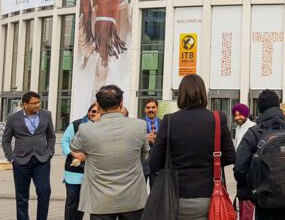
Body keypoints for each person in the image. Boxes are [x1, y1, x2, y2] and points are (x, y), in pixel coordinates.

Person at [148, 75, 236, 219]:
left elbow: (154, 163)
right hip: (209, 194)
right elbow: (231, 156)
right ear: (203, 93)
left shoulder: (169, 121)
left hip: (176, 196)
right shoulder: (217, 118)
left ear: (181, 94)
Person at [234, 89, 285, 220]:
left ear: (260, 110)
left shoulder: (253, 133)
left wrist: (251, 192)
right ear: (278, 106)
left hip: (265, 202)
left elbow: (239, 169)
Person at [70, 85, 149, 219]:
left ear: (98, 105)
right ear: (121, 103)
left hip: (100, 199)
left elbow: (74, 146)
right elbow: (144, 154)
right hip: (132, 196)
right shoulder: (139, 125)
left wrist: (93, 122)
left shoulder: (86, 129)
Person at [2, 91, 55, 220]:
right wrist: (11, 158)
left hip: (42, 160)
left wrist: (50, 152)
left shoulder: (46, 115)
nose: (37, 105)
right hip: (21, 162)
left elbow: (51, 136)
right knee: (21, 196)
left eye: (38, 102)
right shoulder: (13, 118)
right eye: (34, 103)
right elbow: (6, 140)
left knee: (44, 191)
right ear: (24, 104)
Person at [62, 103, 100, 220]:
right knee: (72, 203)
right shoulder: (76, 124)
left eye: (98, 112)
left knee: (86, 205)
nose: (95, 114)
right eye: (93, 111)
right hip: (74, 172)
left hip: (93, 173)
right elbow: (64, 142)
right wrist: (74, 153)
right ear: (88, 112)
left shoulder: (102, 127)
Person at [142, 98, 159, 185]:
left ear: (157, 108)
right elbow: (134, 140)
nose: (151, 110)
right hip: (142, 165)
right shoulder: (139, 123)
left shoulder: (163, 123)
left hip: (157, 166)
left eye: (153, 107)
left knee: (156, 195)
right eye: (148, 108)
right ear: (145, 109)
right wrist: (145, 139)